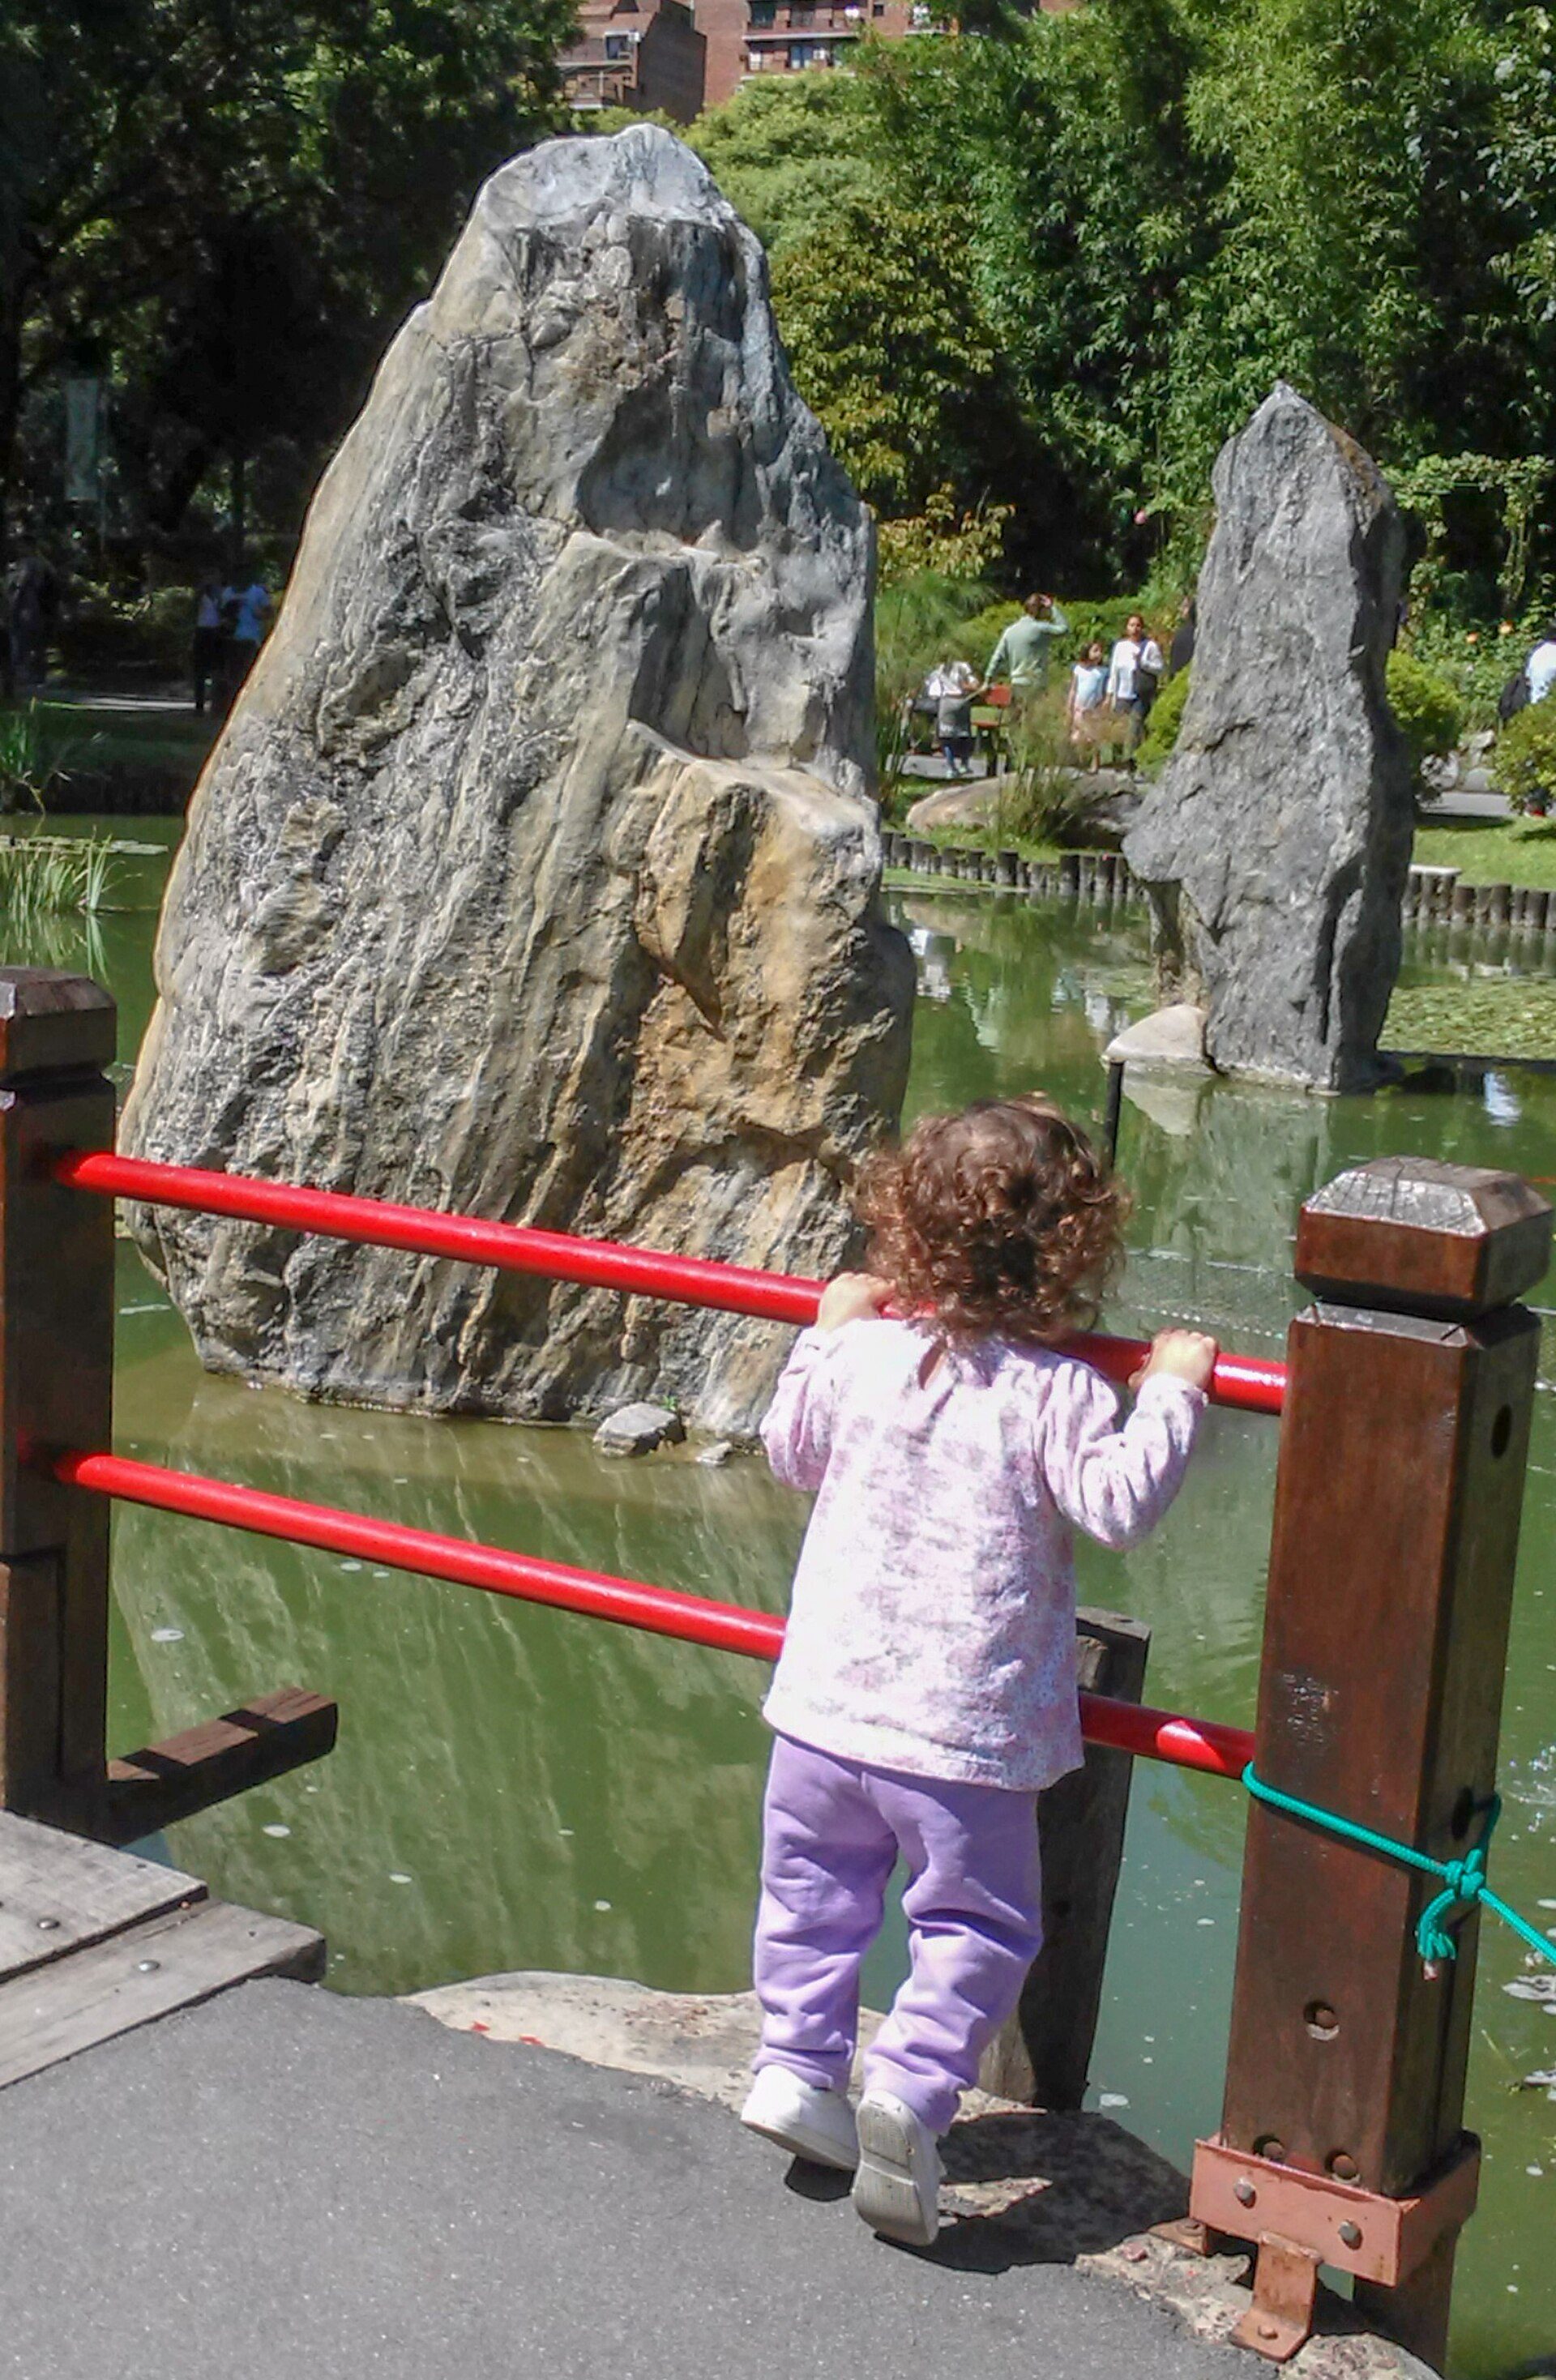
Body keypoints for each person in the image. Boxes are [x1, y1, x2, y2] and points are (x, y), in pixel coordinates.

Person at [740, 1096, 1216, 2246]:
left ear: (906, 1226)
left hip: (821, 1717)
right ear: (1074, 1246)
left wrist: (824, 1325)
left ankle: (800, 2068)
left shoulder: (860, 1354)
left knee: (812, 1897)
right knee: (978, 1926)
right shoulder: (1058, 1392)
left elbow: (787, 1449)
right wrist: (1173, 1389)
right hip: (964, 1739)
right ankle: (909, 2087)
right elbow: (1120, 1502)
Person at [1105, 611, 1165, 764]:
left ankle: (1130, 762)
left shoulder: (1150, 646)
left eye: (1138, 625)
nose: (1135, 629)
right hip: (1122, 694)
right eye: (1132, 625)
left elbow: (1160, 668)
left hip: (1140, 694)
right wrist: (1110, 694)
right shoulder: (1120, 646)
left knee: (1134, 727)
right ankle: (1116, 761)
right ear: (1127, 627)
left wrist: (1144, 663)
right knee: (1119, 729)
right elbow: (1114, 671)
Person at [985, 592, 1070, 696]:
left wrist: (987, 681)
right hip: (1035, 684)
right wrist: (1053, 608)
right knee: (1035, 712)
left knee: (1019, 711)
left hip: (1016, 684)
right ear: (1040, 610)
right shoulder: (1039, 629)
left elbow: (997, 658)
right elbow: (1064, 629)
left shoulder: (1010, 631)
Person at [1065, 639, 1109, 768]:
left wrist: (1104, 703)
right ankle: (1080, 762)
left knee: (1094, 736)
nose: (1098, 654)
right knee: (1078, 737)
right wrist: (1070, 706)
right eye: (1095, 651)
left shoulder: (1102, 671)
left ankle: (1095, 763)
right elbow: (1073, 689)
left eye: (1100, 651)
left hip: (1094, 708)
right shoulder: (1079, 670)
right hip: (1079, 708)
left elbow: (1105, 689)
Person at [934, 659, 980, 777]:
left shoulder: (939, 668)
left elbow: (933, 690)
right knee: (964, 735)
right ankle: (964, 765)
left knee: (946, 738)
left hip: (946, 702)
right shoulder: (962, 666)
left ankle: (951, 768)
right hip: (961, 701)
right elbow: (975, 684)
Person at [191, 575, 226, 715]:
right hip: (202, 630)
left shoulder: (222, 594)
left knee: (217, 670)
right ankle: (199, 705)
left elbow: (224, 610)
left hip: (216, 631)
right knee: (199, 671)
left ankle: (216, 703)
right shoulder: (201, 596)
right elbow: (194, 611)